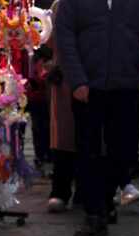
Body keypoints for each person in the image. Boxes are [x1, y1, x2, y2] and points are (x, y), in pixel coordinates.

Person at [56, 0, 139, 236]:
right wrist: (77, 80)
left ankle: (106, 202)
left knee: (121, 150)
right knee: (89, 150)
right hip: (88, 88)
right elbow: (65, 38)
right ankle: (94, 214)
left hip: (126, 86)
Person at [46, 0, 78, 213]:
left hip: (91, 77)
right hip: (65, 77)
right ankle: (61, 190)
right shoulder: (60, 5)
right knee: (65, 137)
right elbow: (49, 40)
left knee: (85, 137)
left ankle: (69, 191)